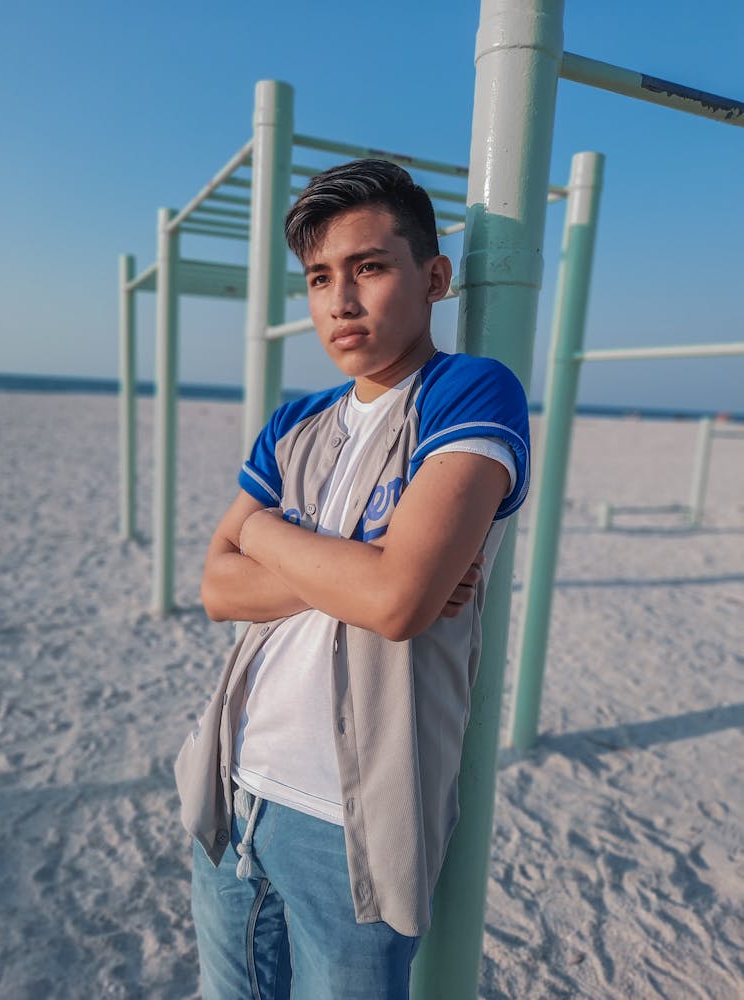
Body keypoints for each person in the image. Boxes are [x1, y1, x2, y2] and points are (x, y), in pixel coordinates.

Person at [175, 158, 530, 999]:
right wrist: (354, 571)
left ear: (434, 277)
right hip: (231, 790)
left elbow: (397, 604)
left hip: (348, 826)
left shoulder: (468, 391)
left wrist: (265, 534)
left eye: (369, 267)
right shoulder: (296, 421)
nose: (340, 301)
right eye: (320, 278)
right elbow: (217, 589)